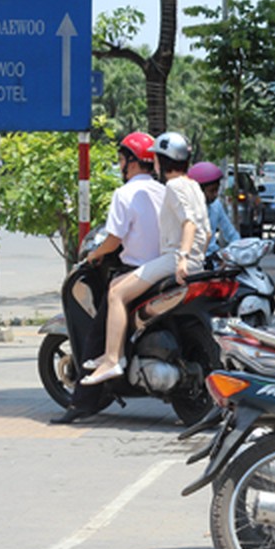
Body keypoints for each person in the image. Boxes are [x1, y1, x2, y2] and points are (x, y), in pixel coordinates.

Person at [51, 130, 166, 424]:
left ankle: (83, 401)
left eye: (121, 159)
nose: (120, 164)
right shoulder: (163, 191)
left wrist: (94, 255)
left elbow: (114, 241)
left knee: (96, 335)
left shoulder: (124, 194)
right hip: (164, 269)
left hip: (135, 272)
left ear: (131, 161)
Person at [81, 131, 210, 386]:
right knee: (117, 286)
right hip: (193, 260)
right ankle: (110, 354)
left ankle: (112, 360)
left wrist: (182, 257)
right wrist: (195, 256)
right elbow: (204, 230)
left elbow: (189, 223)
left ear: (161, 161)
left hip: (173, 259)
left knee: (116, 294)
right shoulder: (192, 185)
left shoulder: (172, 186)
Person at [188, 161, 240, 263]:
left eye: (217, 190)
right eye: (212, 191)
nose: (216, 194)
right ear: (198, 190)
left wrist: (240, 249)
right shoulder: (185, 209)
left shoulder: (216, 205)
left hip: (214, 260)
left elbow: (230, 233)